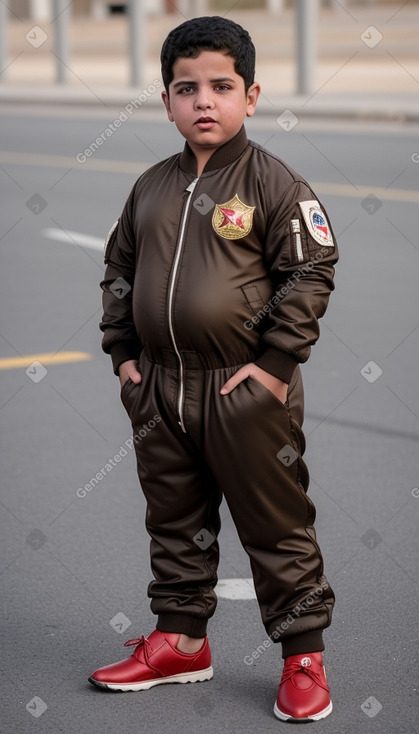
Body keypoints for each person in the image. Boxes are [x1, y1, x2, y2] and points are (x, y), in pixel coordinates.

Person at [90, 15, 338, 723]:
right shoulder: (148, 187)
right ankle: (180, 641)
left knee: (275, 522)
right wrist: (123, 356)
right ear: (165, 101)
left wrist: (273, 365)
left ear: (250, 96)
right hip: (159, 389)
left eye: (220, 86)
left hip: (243, 390)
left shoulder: (272, 184)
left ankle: (302, 657)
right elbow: (119, 270)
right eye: (185, 87)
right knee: (173, 519)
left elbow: (311, 270)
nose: (204, 100)